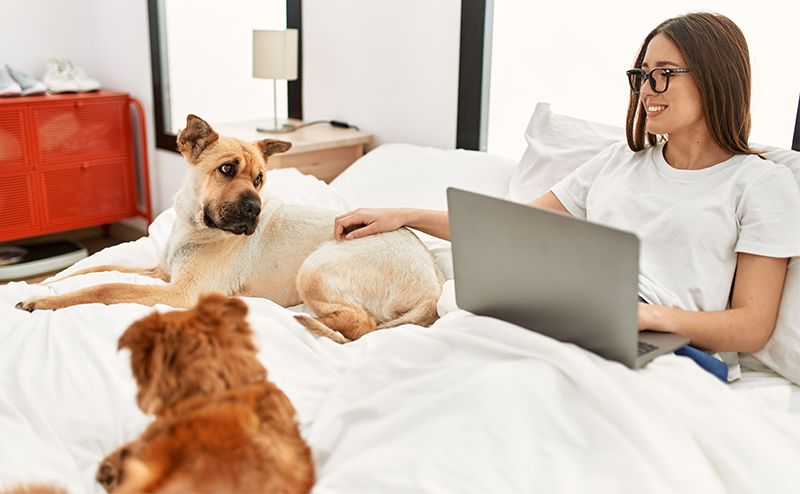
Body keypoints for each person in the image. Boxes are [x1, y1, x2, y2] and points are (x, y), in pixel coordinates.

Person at [333, 12, 800, 355]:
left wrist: (648, 317)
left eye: (663, 76)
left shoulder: (761, 184)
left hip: (662, 341)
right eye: (641, 77)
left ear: (718, 78)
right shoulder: (620, 160)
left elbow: (752, 326)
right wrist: (406, 215)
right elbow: (511, 225)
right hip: (574, 310)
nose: (645, 92)